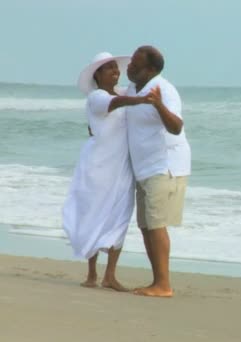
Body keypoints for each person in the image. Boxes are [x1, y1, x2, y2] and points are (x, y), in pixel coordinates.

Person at [63, 52, 154, 291]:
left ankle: (110, 276)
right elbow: (113, 105)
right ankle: (92, 274)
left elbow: (133, 93)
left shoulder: (125, 92)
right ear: (98, 75)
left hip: (123, 166)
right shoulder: (97, 96)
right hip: (99, 166)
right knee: (95, 213)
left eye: (116, 67)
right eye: (108, 68)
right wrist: (141, 101)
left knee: (120, 216)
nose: (115, 71)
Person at [125, 46, 191, 297]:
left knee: (156, 223)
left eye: (135, 64)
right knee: (145, 225)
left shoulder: (165, 89)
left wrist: (159, 105)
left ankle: (164, 285)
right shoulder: (133, 89)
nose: (129, 67)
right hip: (143, 167)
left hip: (165, 165)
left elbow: (176, 127)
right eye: (131, 61)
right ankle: (157, 281)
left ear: (151, 70)